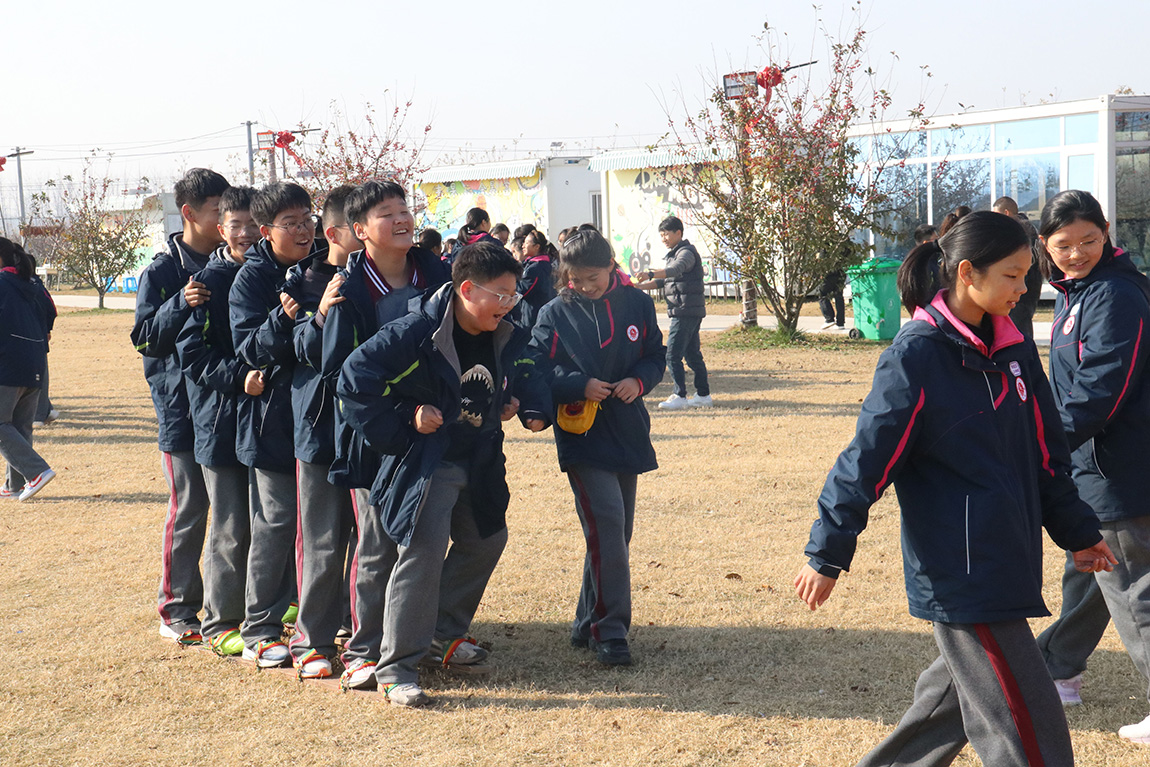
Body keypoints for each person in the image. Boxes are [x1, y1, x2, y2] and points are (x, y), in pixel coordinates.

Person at [795, 210, 1116, 766]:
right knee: (1028, 728)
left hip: (1006, 559)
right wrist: (826, 552)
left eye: (1026, 275)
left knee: (947, 704)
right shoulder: (916, 356)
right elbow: (867, 461)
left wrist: (1079, 533)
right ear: (967, 272)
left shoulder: (1014, 348)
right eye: (1013, 276)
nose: (1025, 288)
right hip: (962, 573)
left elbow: (1046, 457)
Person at [337, 240, 549, 706]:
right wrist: (406, 419)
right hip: (427, 460)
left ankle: (441, 634)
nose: (509, 304)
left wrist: (508, 402)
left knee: (488, 537)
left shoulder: (504, 328)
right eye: (501, 294)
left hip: (479, 456)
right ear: (467, 289)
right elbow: (353, 380)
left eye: (514, 294)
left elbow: (511, 375)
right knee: (423, 552)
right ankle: (396, 668)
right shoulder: (416, 329)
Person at [320, 179, 451, 690]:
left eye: (404, 209)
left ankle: (421, 638)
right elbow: (341, 378)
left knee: (424, 541)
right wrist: (401, 417)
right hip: (378, 435)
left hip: (436, 431)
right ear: (359, 230)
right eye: (386, 213)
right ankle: (362, 649)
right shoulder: (349, 292)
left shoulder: (438, 273)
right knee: (376, 543)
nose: (401, 219)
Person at [1031, 190, 1150, 744]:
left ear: (1107, 231)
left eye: (1088, 241)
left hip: (1117, 470)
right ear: (1044, 246)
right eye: (1063, 245)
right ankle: (1059, 671)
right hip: (1086, 468)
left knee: (1133, 587)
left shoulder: (1116, 294)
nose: (1076, 253)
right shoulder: (1075, 290)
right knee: (1088, 567)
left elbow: (1104, 386)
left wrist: (1044, 442)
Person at [529, 229, 665, 666]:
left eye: (592, 277)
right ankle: (611, 632)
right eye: (575, 279)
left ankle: (586, 619)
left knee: (615, 535)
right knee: (607, 526)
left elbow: (655, 356)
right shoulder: (553, 313)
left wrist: (637, 381)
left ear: (611, 266)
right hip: (581, 433)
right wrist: (577, 385)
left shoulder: (639, 304)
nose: (584, 286)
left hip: (627, 429)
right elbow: (536, 369)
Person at [131, 167, 228, 645]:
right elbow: (144, 340)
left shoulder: (235, 262)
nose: (227, 219)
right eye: (218, 211)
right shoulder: (163, 270)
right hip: (181, 412)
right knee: (190, 508)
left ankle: (230, 607)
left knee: (234, 512)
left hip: (226, 409)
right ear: (190, 214)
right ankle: (176, 608)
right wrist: (180, 303)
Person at [229, 182, 315, 668]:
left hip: (317, 418)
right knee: (277, 521)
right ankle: (259, 627)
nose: (304, 229)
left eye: (307, 218)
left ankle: (314, 617)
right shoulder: (251, 279)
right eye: (291, 223)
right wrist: (283, 321)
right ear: (266, 231)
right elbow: (248, 349)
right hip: (271, 420)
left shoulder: (320, 264)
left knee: (321, 526)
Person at [175, 185, 261, 657]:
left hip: (268, 423)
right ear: (220, 228)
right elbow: (193, 355)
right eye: (236, 224)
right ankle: (220, 620)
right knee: (230, 524)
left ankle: (263, 607)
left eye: (254, 223)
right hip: (222, 421)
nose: (246, 232)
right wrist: (238, 378)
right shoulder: (207, 283)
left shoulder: (278, 274)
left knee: (268, 521)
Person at [281, 184, 361, 679]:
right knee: (323, 539)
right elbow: (292, 350)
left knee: (371, 541)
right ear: (336, 232)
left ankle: (360, 631)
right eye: (363, 223)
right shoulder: (303, 281)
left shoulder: (388, 279)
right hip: (319, 428)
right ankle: (310, 640)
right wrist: (322, 313)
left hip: (373, 429)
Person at [634, 216, 710, 410]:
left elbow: (675, 270)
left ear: (678, 233)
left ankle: (680, 395)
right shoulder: (673, 254)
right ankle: (703, 395)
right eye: (661, 235)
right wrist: (637, 287)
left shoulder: (686, 253)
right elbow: (663, 281)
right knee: (692, 354)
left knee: (672, 354)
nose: (664, 238)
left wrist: (651, 273)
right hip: (686, 310)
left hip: (685, 311)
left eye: (666, 234)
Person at [0, 237, 54, 502]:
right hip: (35, 360)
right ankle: (14, 485)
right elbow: (50, 311)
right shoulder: (31, 283)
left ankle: (37, 472)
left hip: (7, 362)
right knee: (19, 426)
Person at [992, 196, 1043, 339]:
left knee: (1018, 327)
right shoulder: (1026, 228)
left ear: (1006, 213)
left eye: (997, 215)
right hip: (1027, 285)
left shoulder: (1020, 229)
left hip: (1023, 287)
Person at [510, 228, 556, 328]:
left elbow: (523, 290)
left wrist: (510, 282)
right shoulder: (536, 264)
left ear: (536, 247)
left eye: (527, 243)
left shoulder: (537, 268)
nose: (523, 246)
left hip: (533, 316)